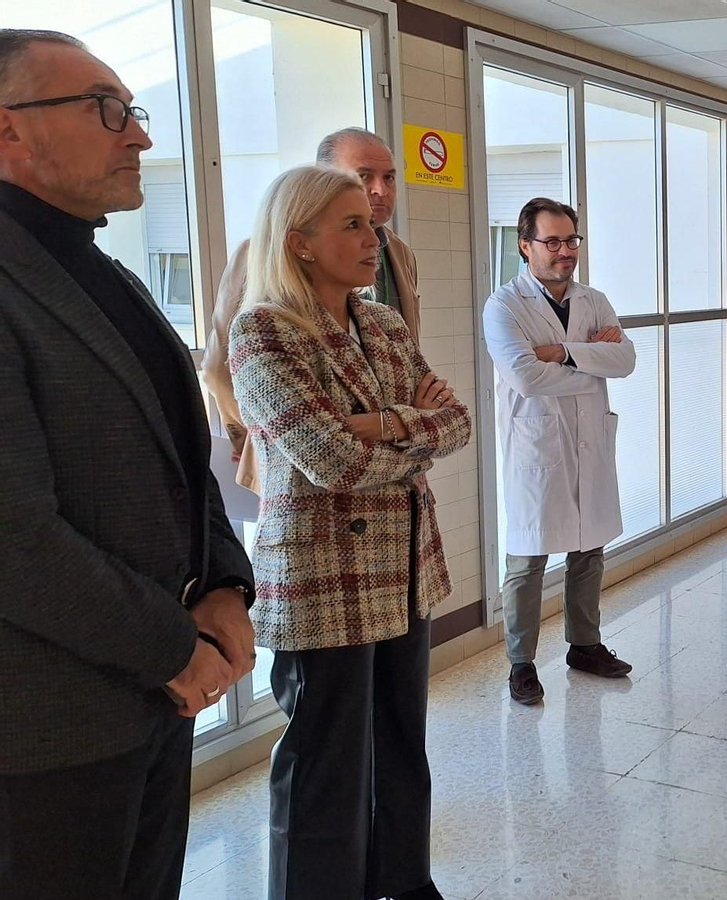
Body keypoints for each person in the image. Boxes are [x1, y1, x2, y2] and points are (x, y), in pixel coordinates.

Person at [0, 29, 255, 899]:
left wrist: (223, 583)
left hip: (151, 704)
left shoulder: (110, 276)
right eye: (105, 110)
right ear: (9, 128)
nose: (139, 135)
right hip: (46, 731)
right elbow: (14, 538)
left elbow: (182, 456)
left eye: (133, 110)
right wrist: (173, 647)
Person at [228, 165, 470, 900]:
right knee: (324, 763)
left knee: (401, 743)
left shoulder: (384, 323)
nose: (374, 237)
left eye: (372, 221)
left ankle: (404, 882)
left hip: (405, 565)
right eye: (353, 224)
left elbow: (457, 423)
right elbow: (329, 460)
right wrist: (410, 428)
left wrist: (382, 423)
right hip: (322, 575)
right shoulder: (263, 331)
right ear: (299, 241)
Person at [202, 126, 422, 494]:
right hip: (305, 465)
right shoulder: (263, 254)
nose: (380, 190)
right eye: (363, 176)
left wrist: (405, 427)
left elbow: (422, 372)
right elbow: (218, 364)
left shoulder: (399, 254)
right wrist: (265, 429)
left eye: (389, 177)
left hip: (397, 453)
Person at [483, 197, 636, 705]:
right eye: (552, 242)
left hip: (589, 439)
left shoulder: (594, 300)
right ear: (525, 246)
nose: (565, 251)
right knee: (528, 558)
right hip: (537, 445)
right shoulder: (504, 306)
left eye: (571, 240)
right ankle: (521, 664)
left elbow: (625, 361)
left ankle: (584, 646)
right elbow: (526, 377)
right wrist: (592, 362)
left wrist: (564, 352)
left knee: (589, 548)